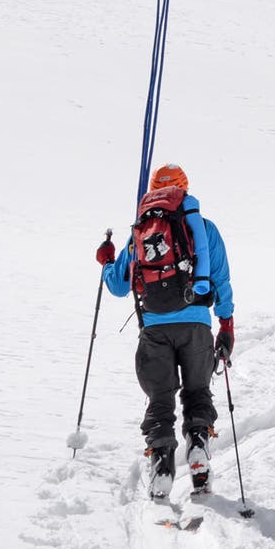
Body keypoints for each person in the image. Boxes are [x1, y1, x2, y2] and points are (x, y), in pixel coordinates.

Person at [96, 164, 235, 500]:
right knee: (197, 390)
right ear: (183, 190)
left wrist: (106, 262)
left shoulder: (141, 229)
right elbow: (221, 280)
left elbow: (118, 285)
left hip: (155, 326)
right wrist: (226, 325)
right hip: (197, 325)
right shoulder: (204, 228)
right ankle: (198, 444)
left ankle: (161, 465)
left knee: (160, 399)